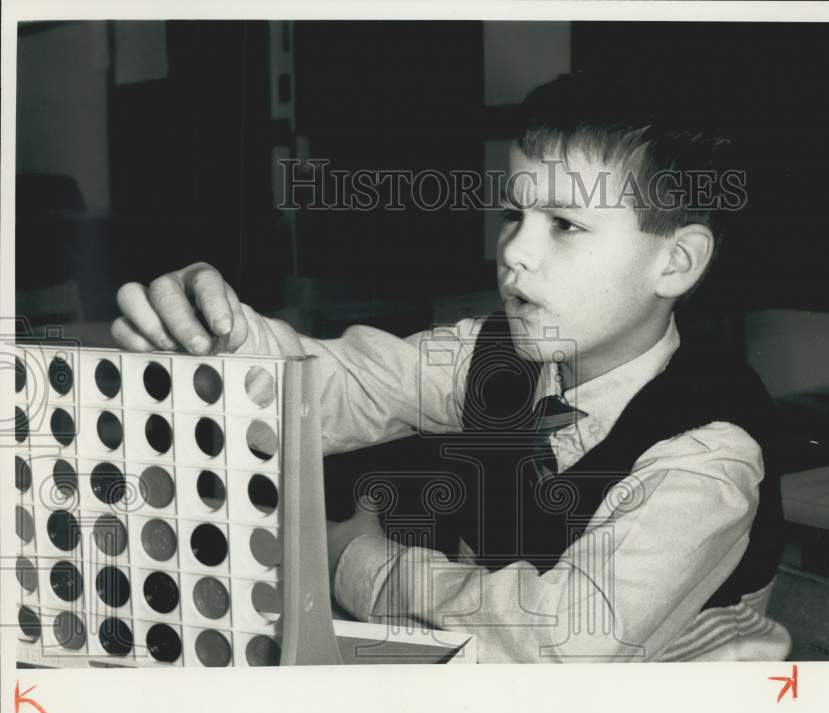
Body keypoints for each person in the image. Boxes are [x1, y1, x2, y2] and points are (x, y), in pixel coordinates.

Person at [113, 73, 790, 663]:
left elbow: (561, 643)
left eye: (564, 224)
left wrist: (363, 566)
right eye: (513, 214)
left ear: (675, 262)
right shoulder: (494, 358)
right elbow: (344, 386)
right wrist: (226, 345)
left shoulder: (710, 454)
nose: (514, 252)